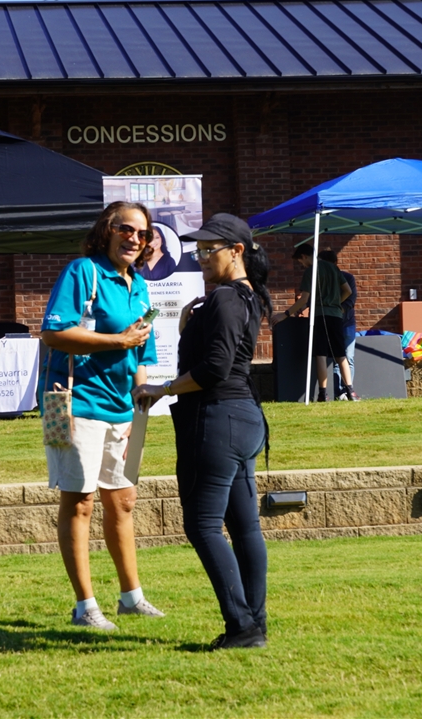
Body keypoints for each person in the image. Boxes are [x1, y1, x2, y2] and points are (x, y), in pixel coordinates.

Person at [133, 212, 273, 650]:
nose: (201, 257)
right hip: (243, 420)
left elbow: (213, 369)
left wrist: (161, 389)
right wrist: (187, 329)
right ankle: (254, 624)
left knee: (202, 525)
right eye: (198, 250)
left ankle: (243, 627)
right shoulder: (247, 297)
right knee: (244, 527)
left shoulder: (227, 298)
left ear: (237, 251)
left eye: (210, 249)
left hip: (217, 420)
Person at [40, 201, 164, 631]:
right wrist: (117, 342)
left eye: (142, 234)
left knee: (123, 501)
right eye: (125, 229)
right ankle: (85, 607)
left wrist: (140, 403)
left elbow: (142, 351)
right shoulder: (83, 272)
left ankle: (132, 598)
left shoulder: (139, 285)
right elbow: (53, 332)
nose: (134, 238)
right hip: (75, 404)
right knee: (80, 502)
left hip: (122, 409)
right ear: (106, 230)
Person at [272, 247, 356, 401]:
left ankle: (323, 393)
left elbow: (304, 299)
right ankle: (351, 391)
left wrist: (285, 314)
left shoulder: (311, 271)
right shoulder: (334, 268)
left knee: (321, 354)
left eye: (300, 261)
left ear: (304, 256)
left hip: (319, 315)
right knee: (340, 354)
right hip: (336, 316)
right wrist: (336, 303)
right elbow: (348, 291)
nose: (302, 265)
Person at [334, 268, 357, 397]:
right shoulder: (325, 279)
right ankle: (339, 393)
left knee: (348, 358)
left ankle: (347, 391)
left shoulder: (348, 277)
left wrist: (336, 309)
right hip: (334, 323)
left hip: (347, 323)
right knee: (337, 360)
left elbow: (351, 300)